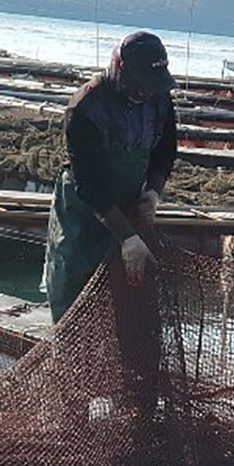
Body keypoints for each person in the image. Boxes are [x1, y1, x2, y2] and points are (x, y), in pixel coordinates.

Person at [43, 31, 177, 323]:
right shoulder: (86, 107)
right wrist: (127, 237)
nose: (147, 92)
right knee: (74, 287)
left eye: (154, 86)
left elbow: (165, 151)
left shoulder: (160, 100)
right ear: (122, 71)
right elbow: (90, 184)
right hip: (82, 211)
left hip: (130, 203)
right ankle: (66, 353)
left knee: (127, 303)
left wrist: (153, 192)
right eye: (142, 84)